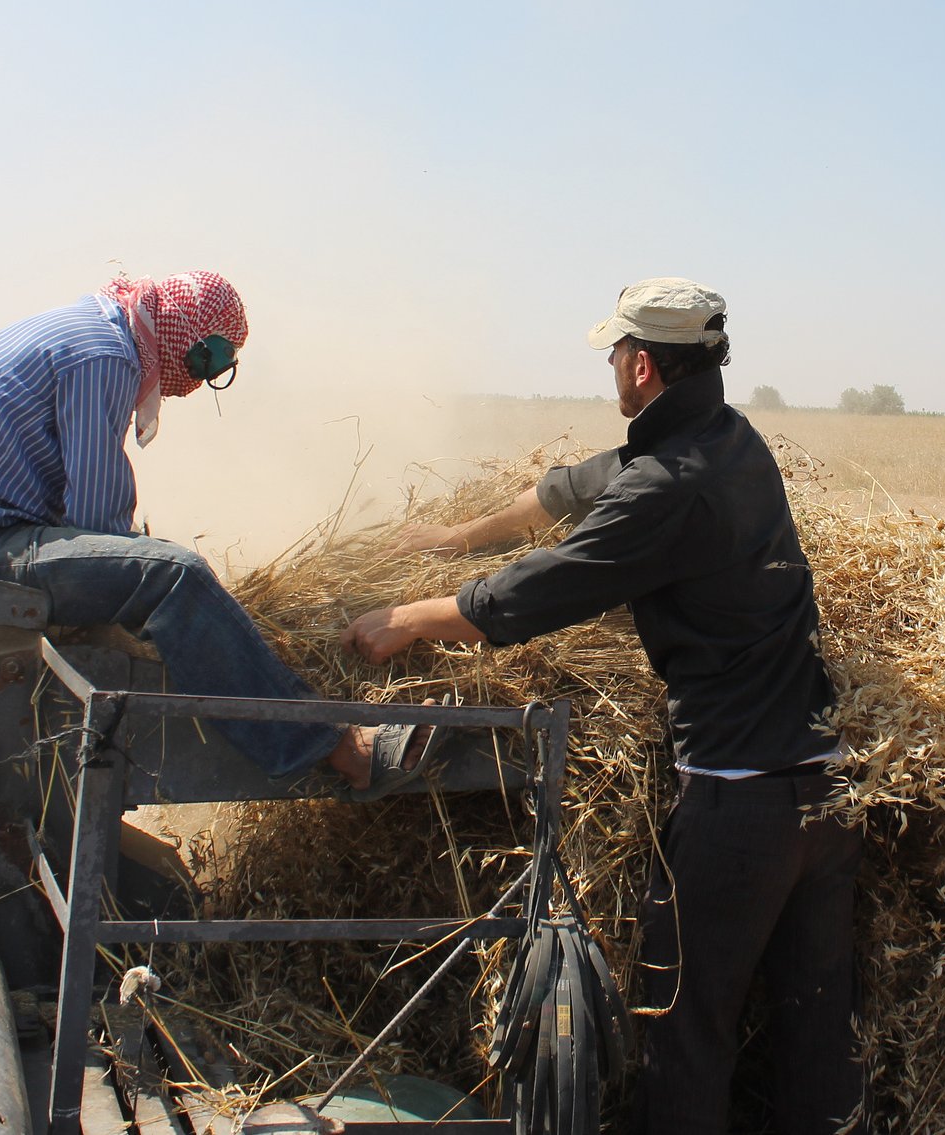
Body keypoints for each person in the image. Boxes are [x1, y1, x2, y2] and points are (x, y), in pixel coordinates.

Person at [342, 278, 865, 1135]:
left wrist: (409, 617)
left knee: (687, 1030)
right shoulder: (729, 440)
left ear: (645, 366)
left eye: (616, 354)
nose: (610, 368)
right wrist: (456, 537)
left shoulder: (669, 486)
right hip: (826, 792)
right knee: (817, 1035)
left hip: (741, 806)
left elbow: (538, 592)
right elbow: (575, 487)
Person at [0, 270, 419, 795]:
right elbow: (95, 517)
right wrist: (150, 573)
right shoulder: (106, 357)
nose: (199, 379)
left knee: (154, 563)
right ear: (182, 329)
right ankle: (334, 747)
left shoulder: (99, 330)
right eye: (207, 358)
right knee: (174, 575)